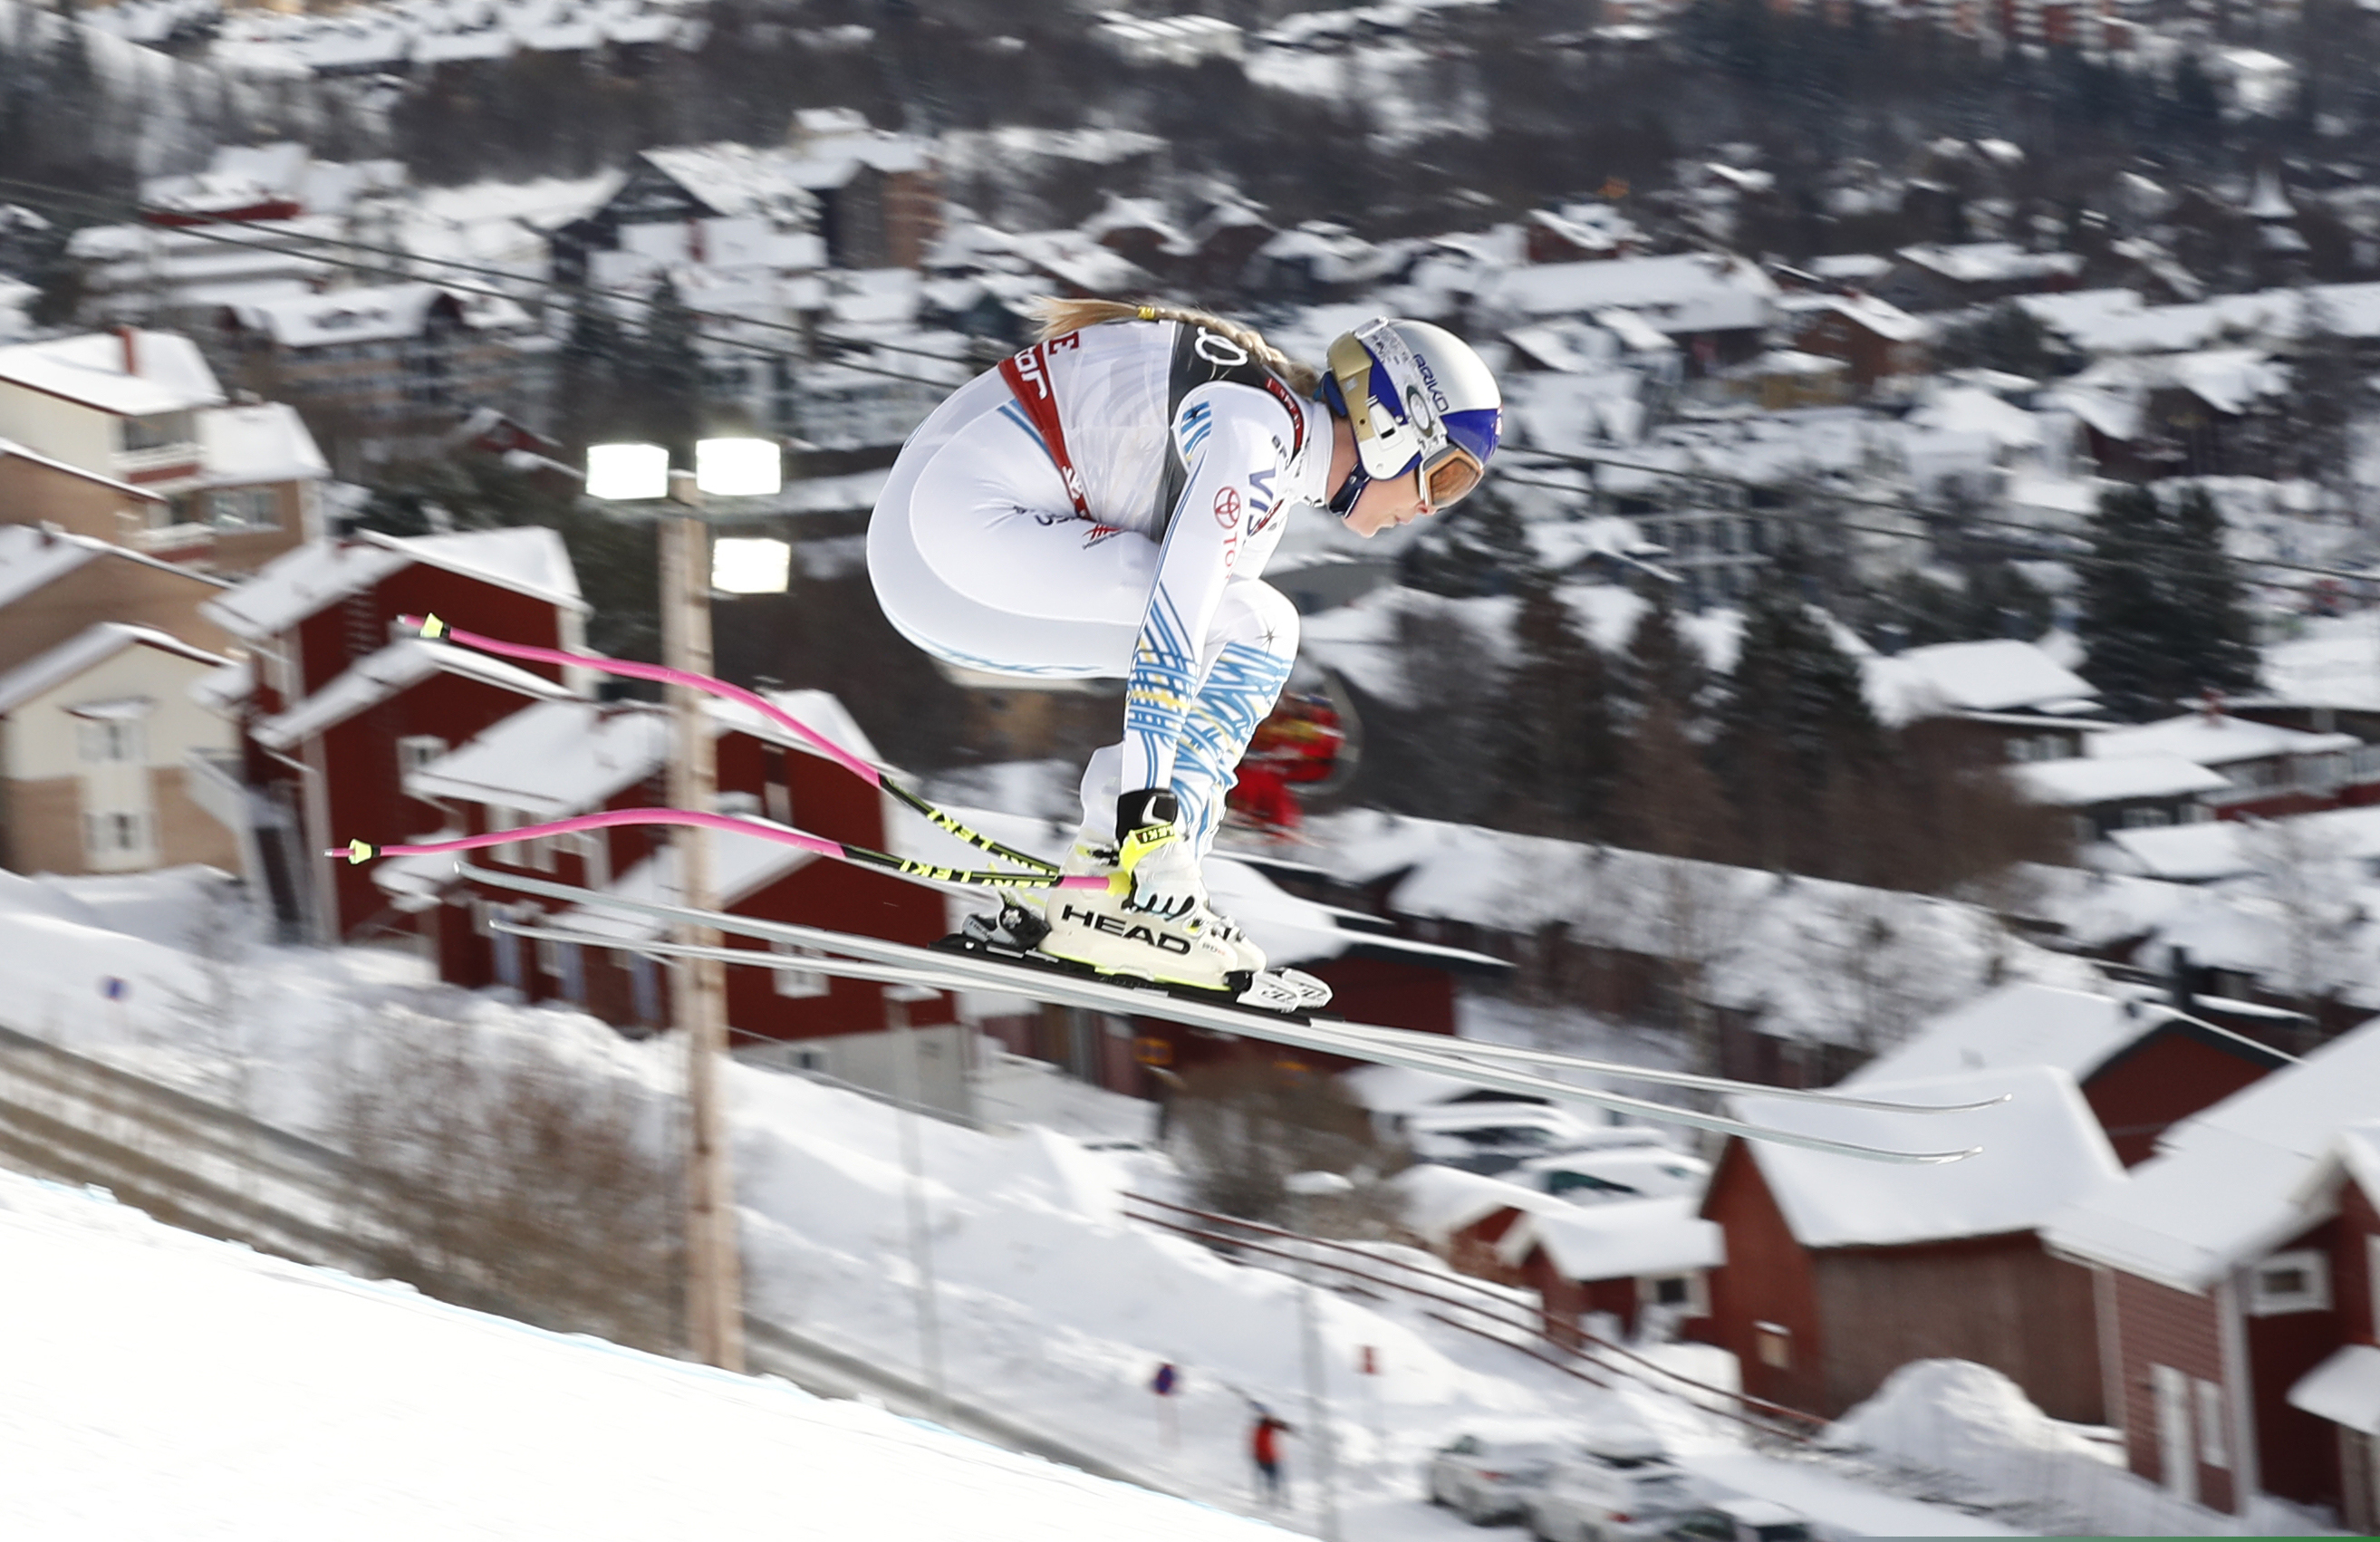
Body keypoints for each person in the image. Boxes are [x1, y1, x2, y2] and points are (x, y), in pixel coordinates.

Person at [867, 299, 1502, 990]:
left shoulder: (1269, 442)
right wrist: (1150, 827)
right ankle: (1139, 889)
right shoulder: (1252, 430)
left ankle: (1122, 885)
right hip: (952, 541)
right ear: (1389, 422)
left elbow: (1194, 650)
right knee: (1255, 624)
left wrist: (1153, 833)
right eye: (1446, 476)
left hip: (938, 552)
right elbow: (1171, 628)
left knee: (1256, 625)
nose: (1432, 508)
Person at [1249, 1407, 1293, 1506]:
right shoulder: (1265, 1427)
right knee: (1273, 1479)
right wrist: (1286, 1427)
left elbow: (1278, 1425)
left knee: (1268, 1479)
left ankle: (1268, 1499)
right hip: (1267, 1457)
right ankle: (1273, 1500)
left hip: (1263, 1457)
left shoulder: (1262, 1427)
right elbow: (1278, 1425)